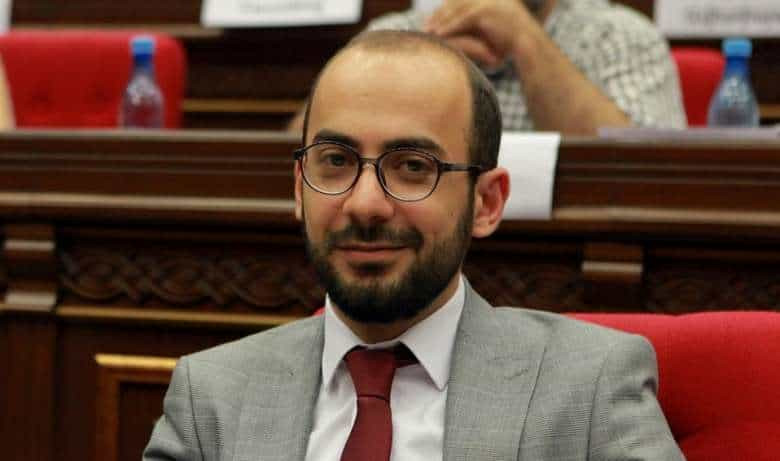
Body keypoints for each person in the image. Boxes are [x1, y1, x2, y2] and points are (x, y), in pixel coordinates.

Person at [145, 30, 685, 461]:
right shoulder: (211, 398)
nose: (365, 204)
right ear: (298, 189)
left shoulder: (589, 387)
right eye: (336, 162)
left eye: (412, 167)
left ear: (486, 203)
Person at [289, 0, 685, 135]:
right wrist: (419, 61)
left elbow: (649, 178)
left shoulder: (622, 37)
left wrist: (525, 39)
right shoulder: (395, 33)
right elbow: (301, 156)